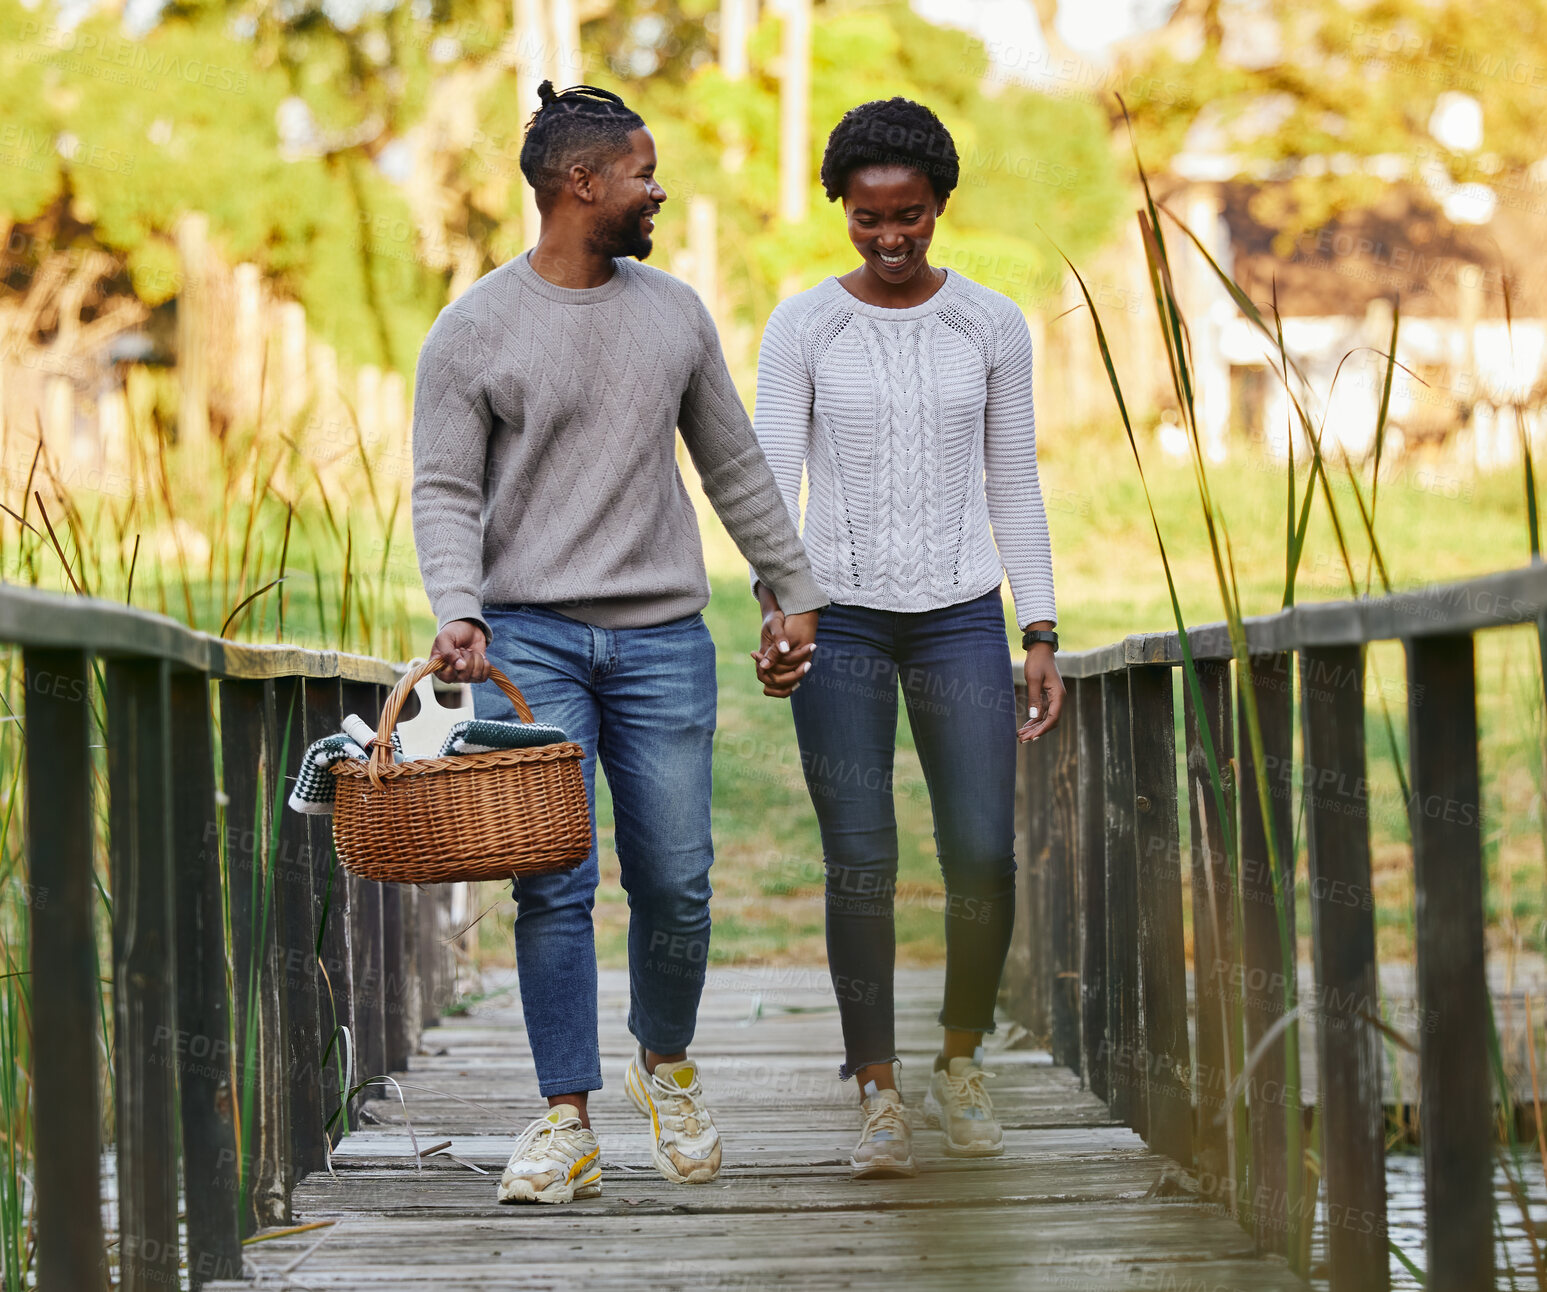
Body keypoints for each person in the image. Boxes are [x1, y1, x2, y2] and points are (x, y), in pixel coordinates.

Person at [410, 80, 828, 1204]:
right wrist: (459, 604)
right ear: (579, 183)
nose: (657, 189)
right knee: (553, 879)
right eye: (641, 172)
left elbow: (732, 462)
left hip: (660, 639)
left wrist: (791, 588)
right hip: (530, 640)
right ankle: (565, 1116)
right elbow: (445, 487)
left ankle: (666, 1063)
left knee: (678, 881)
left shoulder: (674, 313)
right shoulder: (474, 329)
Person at [748, 97, 1064, 1179]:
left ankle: (959, 1057)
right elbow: (765, 482)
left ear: (939, 206)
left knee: (979, 847)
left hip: (959, 616)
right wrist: (778, 606)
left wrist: (1039, 626)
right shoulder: (801, 326)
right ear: (841, 207)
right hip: (836, 621)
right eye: (868, 217)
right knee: (861, 860)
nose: (890, 238)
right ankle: (876, 1089)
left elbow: (1011, 479)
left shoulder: (989, 324)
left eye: (911, 216)